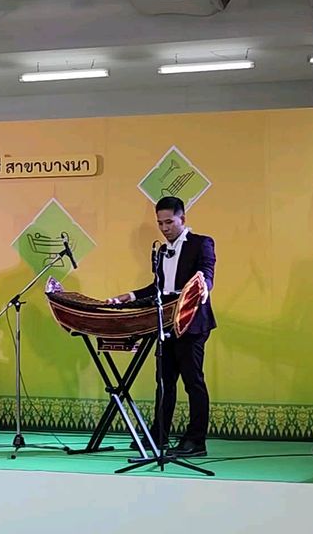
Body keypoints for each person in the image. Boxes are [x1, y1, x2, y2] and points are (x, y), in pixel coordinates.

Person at [107, 196, 216, 457]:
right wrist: (130, 297)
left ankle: (196, 441)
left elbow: (206, 273)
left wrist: (203, 286)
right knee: (164, 382)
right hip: (164, 321)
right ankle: (159, 435)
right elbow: (158, 287)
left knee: (193, 382)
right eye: (160, 223)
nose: (164, 228)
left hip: (192, 322)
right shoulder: (161, 251)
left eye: (169, 222)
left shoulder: (201, 243)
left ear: (182, 219)